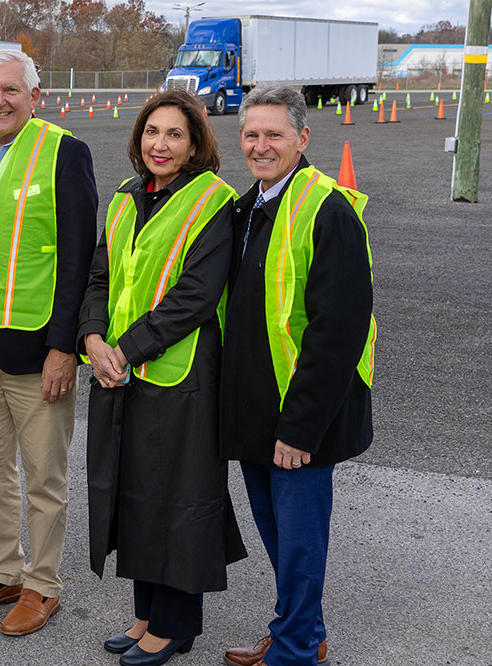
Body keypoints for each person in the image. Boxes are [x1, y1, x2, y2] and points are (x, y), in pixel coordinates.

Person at [78, 89, 247, 666]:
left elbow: (196, 296)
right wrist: (92, 339)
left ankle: (175, 625)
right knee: (136, 495)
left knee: (178, 498)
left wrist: (123, 349)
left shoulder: (214, 202)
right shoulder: (127, 198)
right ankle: (148, 614)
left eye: (175, 134)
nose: (161, 144)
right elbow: (100, 276)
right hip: (118, 370)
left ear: (196, 143)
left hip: (181, 377)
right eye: (153, 132)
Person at [0, 49, 98, 636]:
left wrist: (66, 348)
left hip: (37, 350)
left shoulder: (63, 152)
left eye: (11, 90)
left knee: (44, 475)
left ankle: (43, 584)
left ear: (35, 96)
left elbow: (80, 257)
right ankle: (2, 571)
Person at [220, 85, 376, 666]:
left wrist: (300, 430)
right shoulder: (250, 206)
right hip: (261, 409)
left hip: (301, 421)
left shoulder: (328, 211)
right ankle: (301, 629)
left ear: (303, 138)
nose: (260, 147)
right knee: (281, 541)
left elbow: (338, 334)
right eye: (251, 135)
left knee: (299, 542)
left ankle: (293, 650)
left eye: (274, 135)